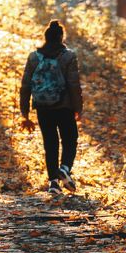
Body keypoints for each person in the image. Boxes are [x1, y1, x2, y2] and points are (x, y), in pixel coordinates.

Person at [19, 19, 83, 196]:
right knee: (70, 139)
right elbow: (74, 84)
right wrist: (78, 108)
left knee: (50, 143)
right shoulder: (68, 56)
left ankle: (53, 183)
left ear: (45, 37)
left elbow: (25, 86)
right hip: (64, 107)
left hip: (42, 107)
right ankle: (64, 168)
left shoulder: (34, 57)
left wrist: (24, 113)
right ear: (61, 37)